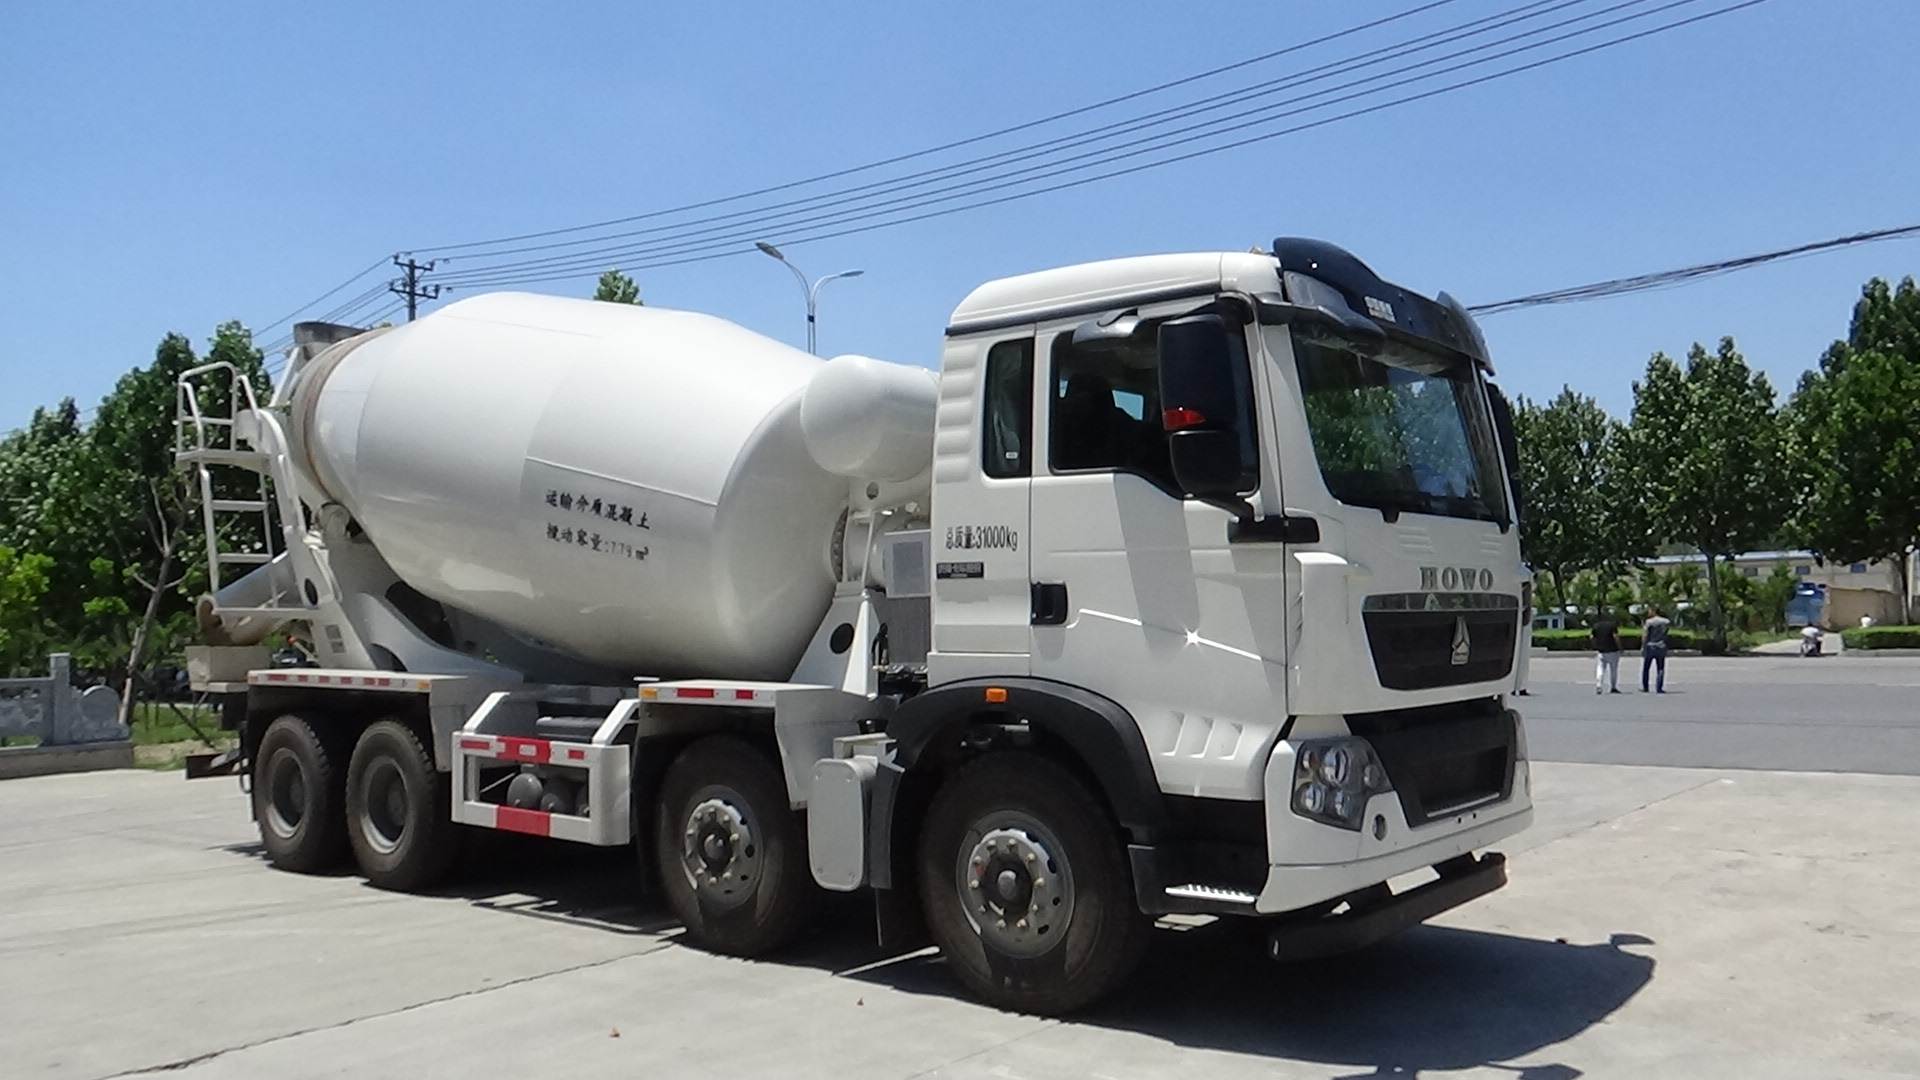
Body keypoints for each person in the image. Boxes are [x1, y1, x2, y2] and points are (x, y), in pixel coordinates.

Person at [1640, 605, 1671, 693]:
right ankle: (1659, 687)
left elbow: (1646, 634)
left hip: (1650, 645)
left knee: (1646, 667)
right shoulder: (1666, 621)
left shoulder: (1649, 622)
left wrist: (1643, 645)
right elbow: (1666, 633)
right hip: (1661, 645)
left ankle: (1645, 687)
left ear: (1654, 611)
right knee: (1660, 667)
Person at [1592, 611, 1622, 694]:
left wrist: (1596, 645)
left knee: (1600, 668)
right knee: (1613, 669)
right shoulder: (1612, 625)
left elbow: (1592, 637)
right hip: (1613, 650)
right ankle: (1613, 687)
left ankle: (1599, 685)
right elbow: (1615, 637)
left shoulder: (1596, 626)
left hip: (1601, 651)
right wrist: (1620, 647)